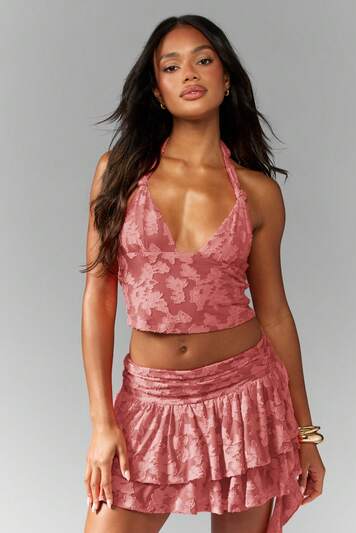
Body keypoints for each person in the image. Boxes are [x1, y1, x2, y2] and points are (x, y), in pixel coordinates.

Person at [81, 14, 325, 533]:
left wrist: (306, 433)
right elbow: (99, 294)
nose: (189, 73)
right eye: (171, 67)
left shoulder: (257, 193)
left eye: (204, 60)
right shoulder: (118, 173)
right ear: (156, 91)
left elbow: (275, 315)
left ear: (226, 78)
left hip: (245, 399)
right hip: (150, 401)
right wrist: (102, 422)